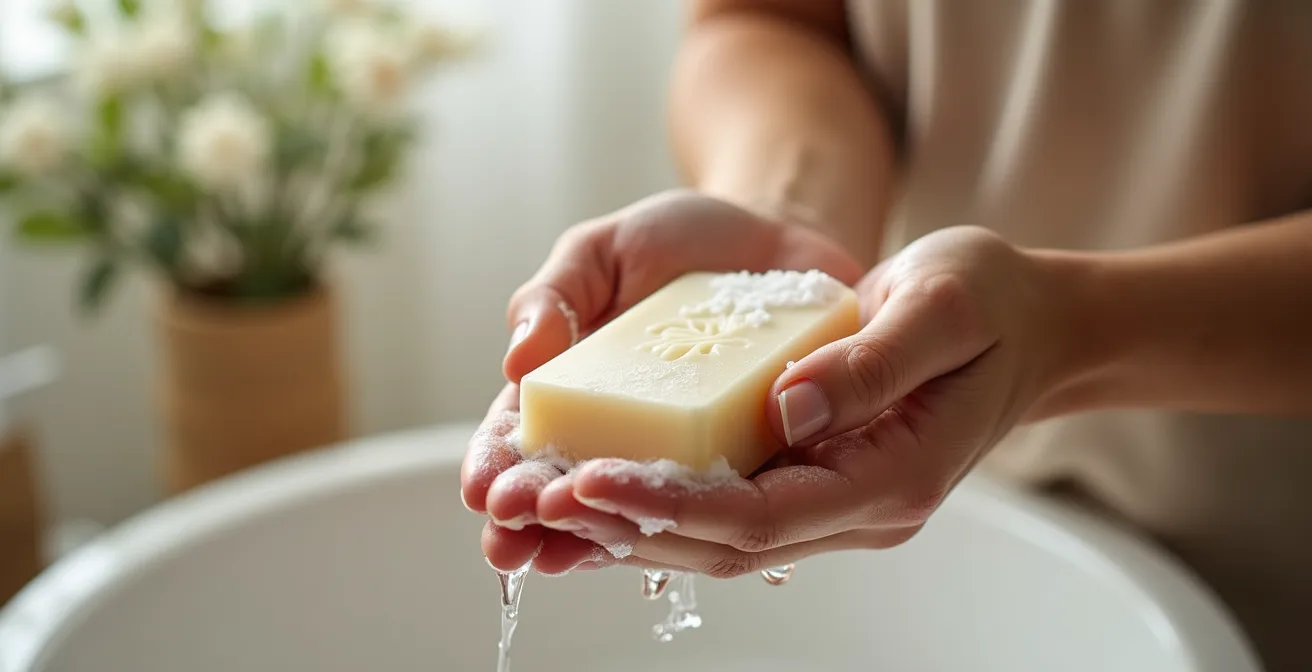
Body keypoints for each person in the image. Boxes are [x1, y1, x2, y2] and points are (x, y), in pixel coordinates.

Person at [462, 1, 1312, 669]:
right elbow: (772, 18)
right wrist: (787, 213)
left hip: (1267, 557)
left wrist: (1077, 328)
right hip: (932, 460)